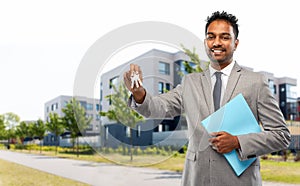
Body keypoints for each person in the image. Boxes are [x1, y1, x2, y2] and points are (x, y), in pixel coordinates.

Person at [123, 11, 291, 186]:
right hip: (197, 179)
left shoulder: (256, 82)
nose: (217, 42)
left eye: (224, 37)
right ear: (205, 42)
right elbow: (158, 107)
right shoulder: (190, 82)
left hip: (240, 180)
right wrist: (139, 93)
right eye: (211, 37)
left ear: (236, 43)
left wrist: (237, 142)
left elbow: (281, 135)